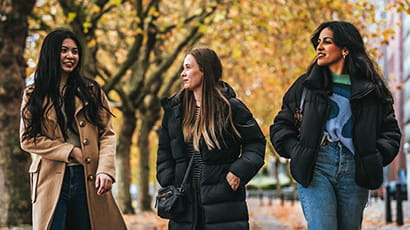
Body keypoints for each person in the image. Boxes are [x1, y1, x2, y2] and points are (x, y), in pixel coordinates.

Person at [270, 21, 401, 230]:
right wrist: (298, 151)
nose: (319, 47)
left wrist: (373, 156)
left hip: (355, 168)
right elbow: (281, 126)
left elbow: (391, 132)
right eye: (318, 42)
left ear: (345, 49)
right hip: (316, 165)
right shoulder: (305, 86)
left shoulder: (371, 91)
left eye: (327, 42)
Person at [20, 30, 127, 230]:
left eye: (75, 51)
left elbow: (107, 134)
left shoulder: (92, 91)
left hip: (88, 176)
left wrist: (106, 170)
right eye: (64, 50)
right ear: (51, 53)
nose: (71, 56)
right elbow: (28, 139)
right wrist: (70, 151)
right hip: (50, 179)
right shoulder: (33, 94)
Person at [156, 47, 266, 230]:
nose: (183, 74)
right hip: (184, 202)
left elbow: (256, 143)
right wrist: (169, 179)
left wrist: (238, 171)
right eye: (183, 68)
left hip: (223, 199)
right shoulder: (175, 111)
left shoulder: (231, 107)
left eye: (188, 68)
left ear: (205, 71)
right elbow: (164, 151)